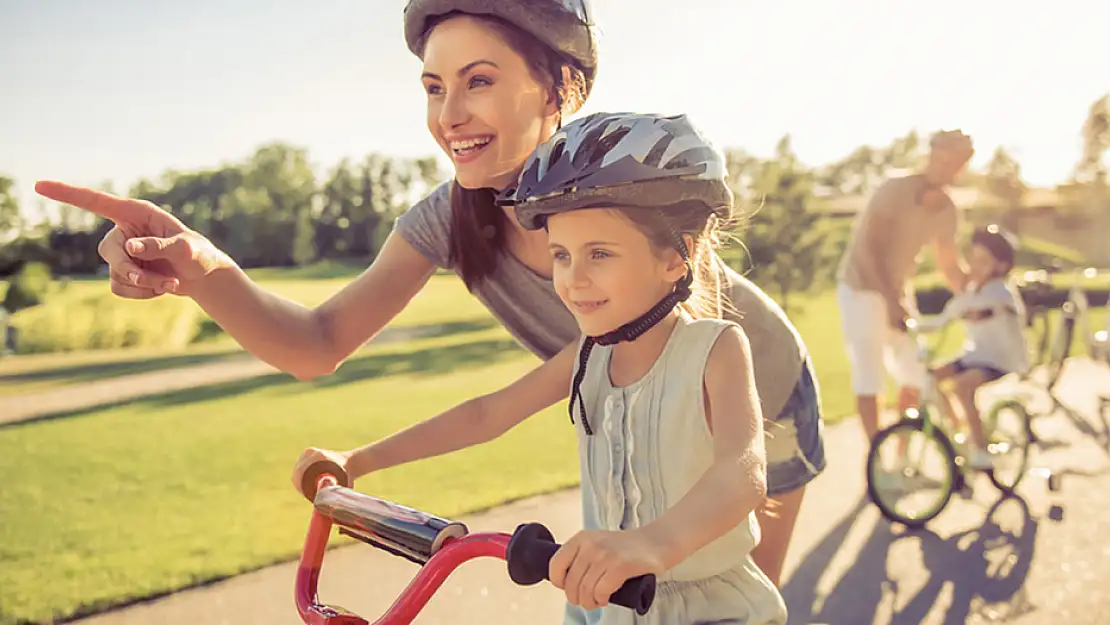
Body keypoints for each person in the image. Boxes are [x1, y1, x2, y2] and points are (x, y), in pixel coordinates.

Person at [32, 0, 821, 586]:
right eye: (433, 86)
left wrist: (651, 536)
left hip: (749, 404)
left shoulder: (622, 186)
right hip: (630, 412)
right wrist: (205, 270)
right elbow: (317, 343)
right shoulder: (451, 216)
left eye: (479, 81)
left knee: (720, 592)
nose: (450, 115)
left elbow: (697, 389)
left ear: (559, 89)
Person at [293, 111, 788, 624]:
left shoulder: (715, 348)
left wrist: (653, 545)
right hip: (604, 607)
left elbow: (743, 471)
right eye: (561, 255)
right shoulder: (587, 355)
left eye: (599, 253)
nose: (572, 280)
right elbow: (486, 415)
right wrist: (358, 460)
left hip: (710, 610)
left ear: (675, 257)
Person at [835, 129, 974, 443]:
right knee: (870, 376)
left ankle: (901, 452)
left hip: (897, 291)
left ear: (962, 167)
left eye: (954, 161)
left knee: (914, 373)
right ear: (930, 155)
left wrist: (982, 291)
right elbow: (872, 251)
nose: (945, 165)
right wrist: (891, 301)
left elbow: (950, 265)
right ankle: (877, 457)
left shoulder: (948, 210)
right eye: (940, 156)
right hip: (861, 288)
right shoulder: (894, 189)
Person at [924, 224, 1028, 469]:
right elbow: (944, 318)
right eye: (973, 259)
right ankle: (961, 427)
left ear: (1001, 267)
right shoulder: (971, 292)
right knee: (933, 376)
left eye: (983, 261)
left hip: (1001, 359)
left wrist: (978, 311)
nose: (974, 266)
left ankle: (981, 450)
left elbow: (996, 307)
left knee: (961, 387)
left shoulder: (1001, 292)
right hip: (976, 355)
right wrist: (913, 324)